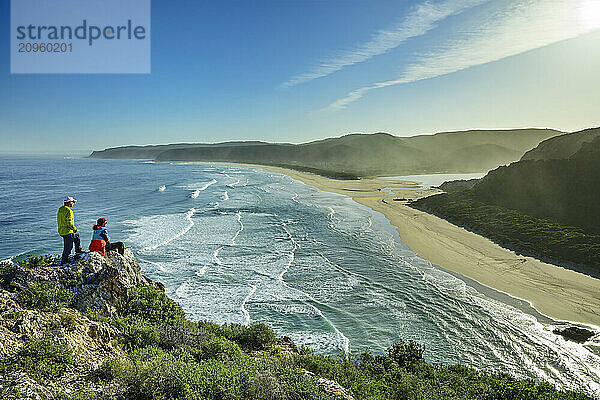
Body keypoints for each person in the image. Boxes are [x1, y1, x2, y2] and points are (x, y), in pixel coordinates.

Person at [57, 196, 83, 265]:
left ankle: (78, 251)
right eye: (73, 202)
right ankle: (64, 261)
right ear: (69, 203)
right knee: (68, 247)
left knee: (76, 236)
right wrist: (74, 228)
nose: (73, 203)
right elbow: (69, 223)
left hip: (61, 230)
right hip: (68, 231)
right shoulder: (69, 211)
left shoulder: (60, 209)